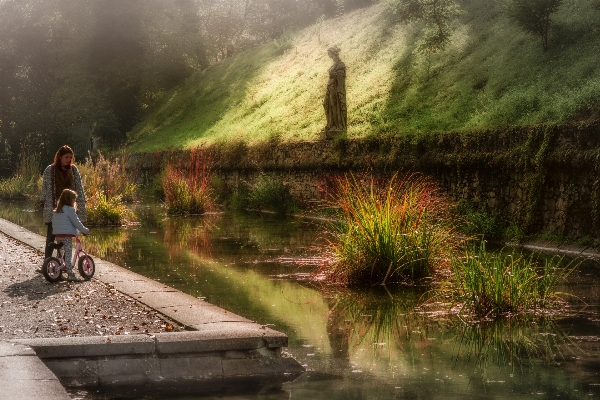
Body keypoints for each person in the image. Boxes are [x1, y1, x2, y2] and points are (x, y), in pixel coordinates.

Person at [40, 145, 87, 261]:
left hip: (69, 208)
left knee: (66, 237)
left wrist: (81, 206)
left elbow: (79, 189)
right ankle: (47, 262)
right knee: (51, 235)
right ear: (60, 157)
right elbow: (45, 188)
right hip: (54, 208)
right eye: (66, 157)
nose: (69, 160)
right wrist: (43, 202)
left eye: (70, 157)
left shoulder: (74, 170)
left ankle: (62, 263)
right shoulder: (50, 170)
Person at [52, 189, 89, 281]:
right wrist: (85, 230)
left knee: (60, 253)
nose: (74, 201)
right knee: (68, 253)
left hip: (58, 234)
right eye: (74, 199)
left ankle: (58, 271)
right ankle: (70, 274)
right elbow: (76, 222)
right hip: (67, 235)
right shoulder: (70, 210)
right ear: (70, 199)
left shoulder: (57, 210)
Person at [322, 46, 347, 134]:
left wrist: (333, 74)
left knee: (335, 106)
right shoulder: (334, 64)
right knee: (326, 104)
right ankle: (330, 124)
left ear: (333, 54)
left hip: (335, 88)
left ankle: (337, 126)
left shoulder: (340, 64)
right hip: (330, 87)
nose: (329, 56)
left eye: (330, 54)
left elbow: (341, 77)